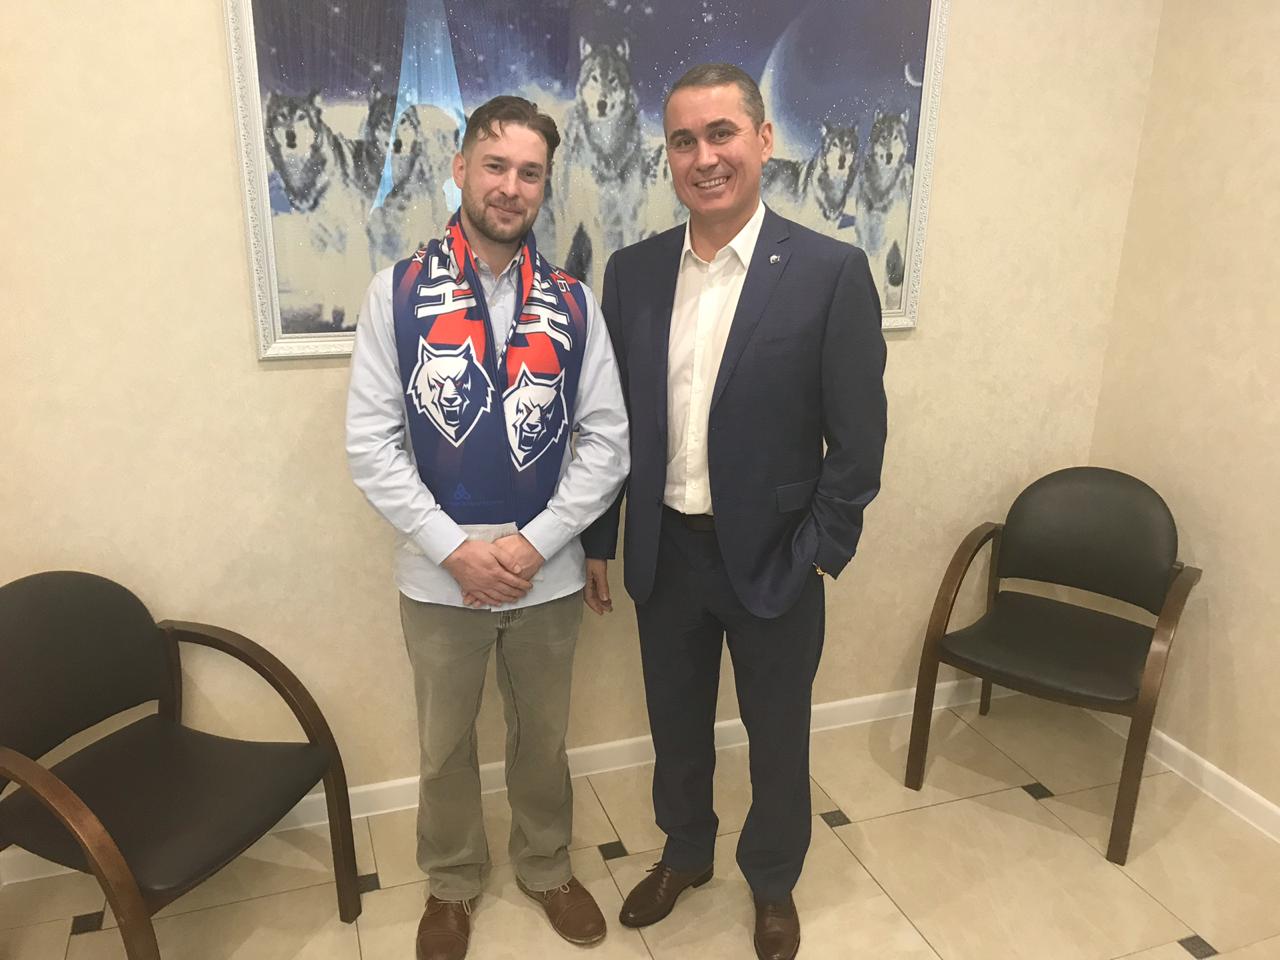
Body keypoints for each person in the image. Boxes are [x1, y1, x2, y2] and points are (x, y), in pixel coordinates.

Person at [580, 64, 887, 960]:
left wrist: (822, 548)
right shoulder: (634, 274)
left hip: (779, 556)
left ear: (763, 139)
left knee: (778, 735)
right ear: (668, 156)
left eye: (721, 133)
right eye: (684, 140)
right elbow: (613, 425)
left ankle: (773, 879)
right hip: (664, 552)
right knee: (675, 725)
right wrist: (602, 540)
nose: (704, 157)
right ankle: (685, 852)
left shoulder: (830, 272)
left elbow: (859, 440)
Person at [346, 94, 629, 960]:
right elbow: (371, 444)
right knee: (444, 745)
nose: (511, 187)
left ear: (545, 185)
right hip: (439, 576)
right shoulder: (397, 293)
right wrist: (457, 551)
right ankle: (452, 882)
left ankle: (546, 866)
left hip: (547, 571)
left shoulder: (574, 302)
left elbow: (607, 442)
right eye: (495, 166)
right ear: (461, 168)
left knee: (543, 737)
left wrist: (533, 544)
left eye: (530, 173)